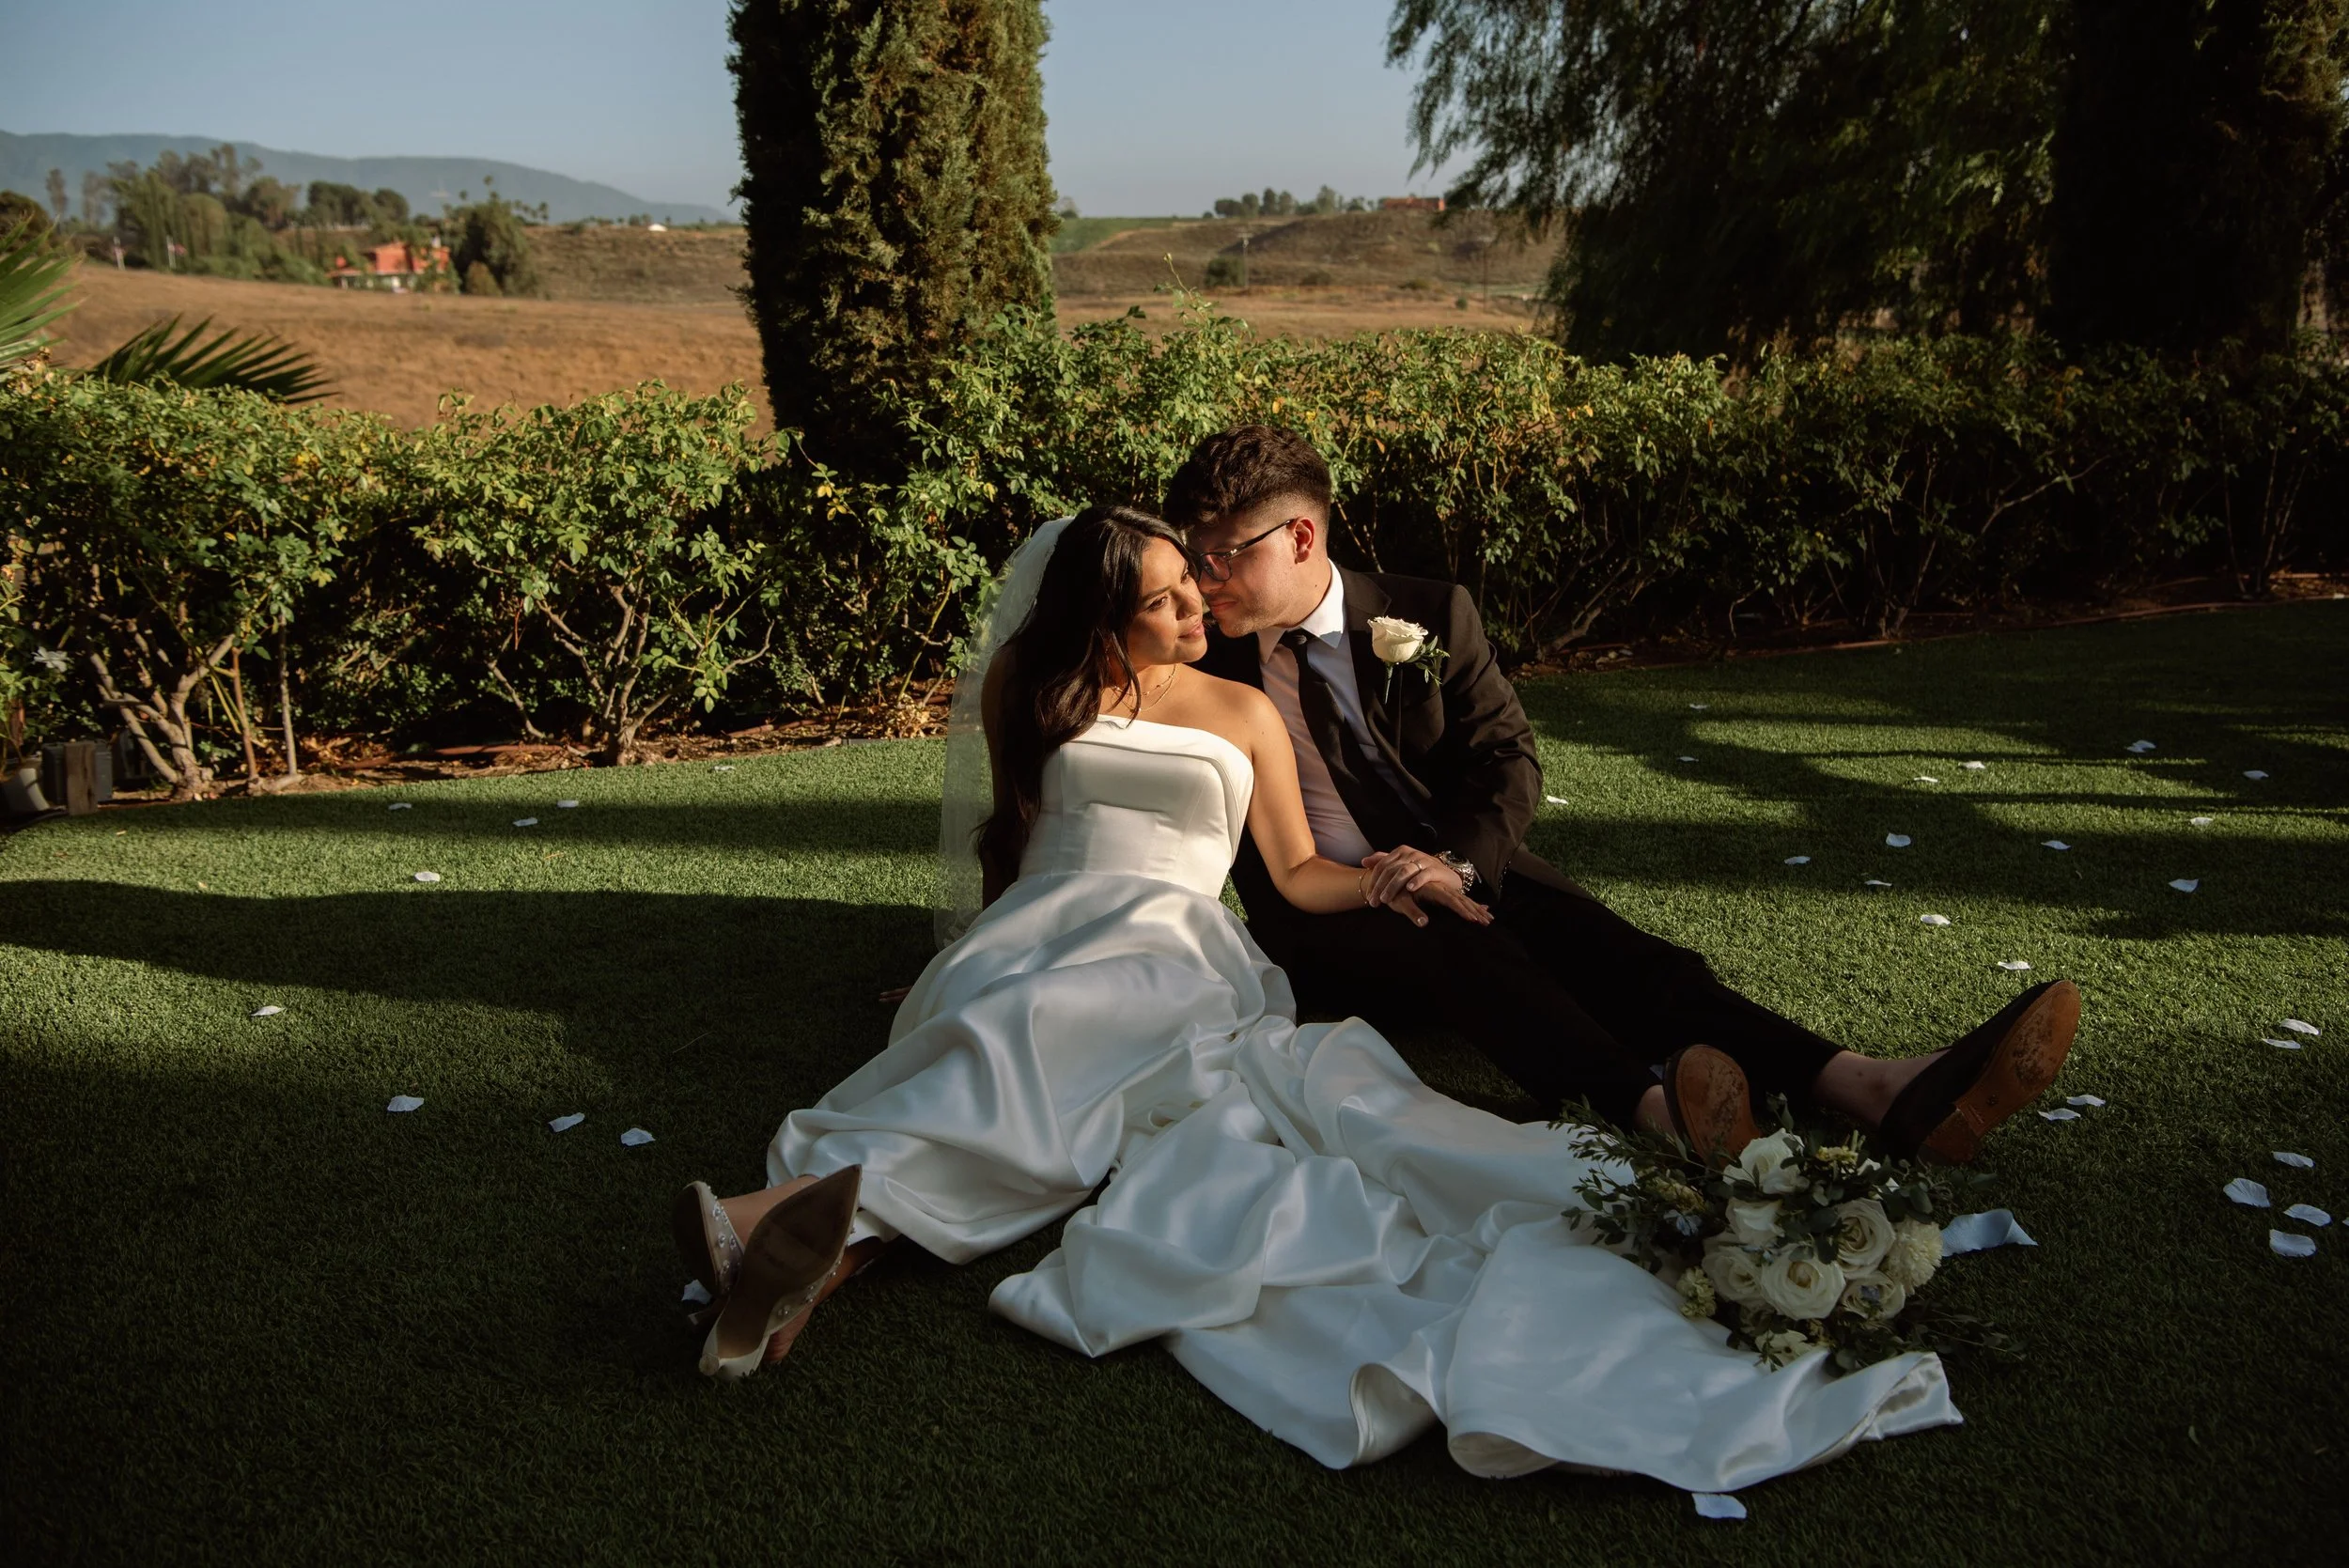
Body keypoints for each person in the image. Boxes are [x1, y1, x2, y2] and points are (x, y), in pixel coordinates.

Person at [674, 504, 1963, 1487]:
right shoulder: (1037, 688)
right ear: (1105, 615)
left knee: (1054, 1046)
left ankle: (783, 1218)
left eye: (1197, 589)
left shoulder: (1238, 709)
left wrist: (1405, 878)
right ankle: (800, 1263)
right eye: (1171, 601)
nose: (1199, 613)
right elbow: (1011, 833)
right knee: (1009, 1026)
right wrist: (967, 943)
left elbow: (1293, 869)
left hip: (1176, 943)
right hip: (1039, 924)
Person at [1164, 424, 2080, 1165]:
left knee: (1623, 955)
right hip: (1321, 920)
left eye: (1219, 559)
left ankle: (1871, 1086)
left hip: (1449, 866)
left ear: (1299, 537)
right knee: (1450, 930)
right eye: (1193, 560)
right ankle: (1651, 1110)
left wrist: (1449, 864)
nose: (1201, 585)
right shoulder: (1203, 656)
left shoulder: (1426, 614)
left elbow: (1505, 761)